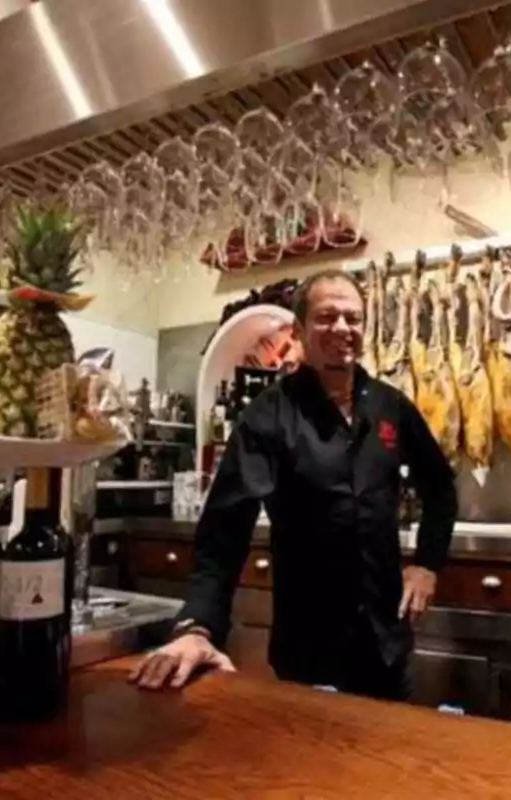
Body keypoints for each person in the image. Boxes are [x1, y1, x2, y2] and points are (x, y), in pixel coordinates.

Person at [130, 269, 457, 700]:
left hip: (385, 642)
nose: (342, 328)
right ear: (299, 330)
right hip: (309, 646)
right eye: (326, 317)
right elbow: (224, 529)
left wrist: (427, 564)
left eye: (353, 318)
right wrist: (199, 626)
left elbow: (440, 487)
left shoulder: (389, 405)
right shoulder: (269, 416)